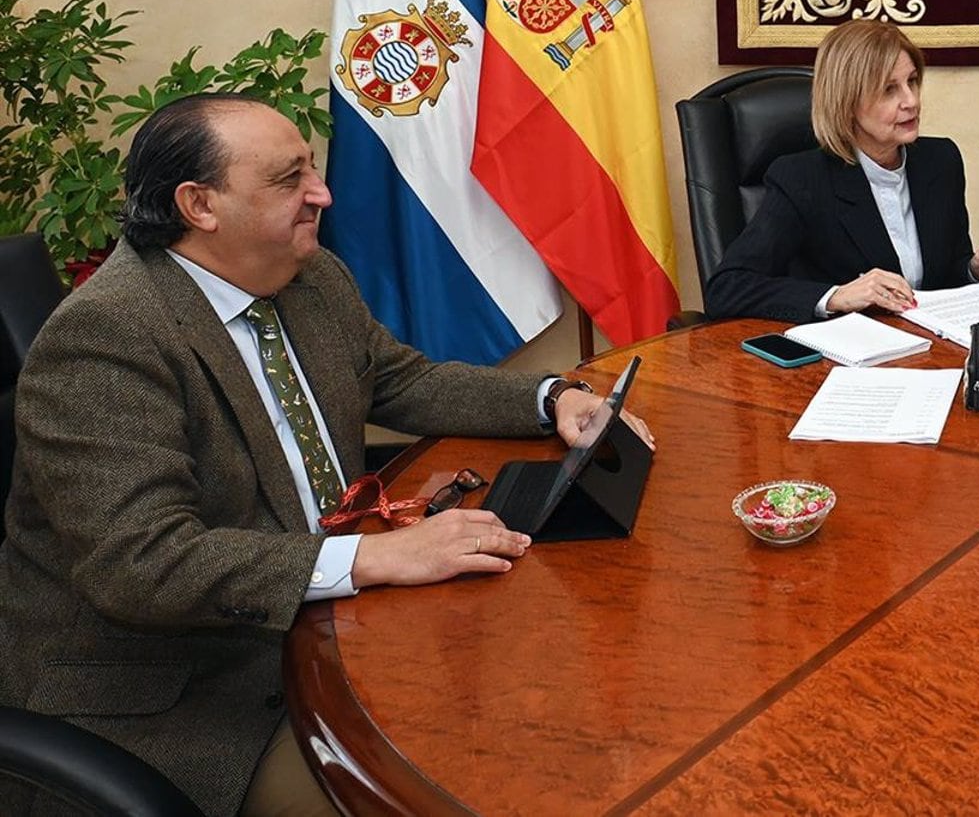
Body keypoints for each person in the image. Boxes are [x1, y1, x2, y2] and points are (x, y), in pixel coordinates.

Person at [0, 94, 654, 816]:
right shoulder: (106, 336)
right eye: (290, 178)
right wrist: (375, 560)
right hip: (187, 694)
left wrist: (552, 397)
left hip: (327, 627)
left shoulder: (306, 275)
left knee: (549, 708)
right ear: (199, 204)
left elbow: (404, 379)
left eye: (311, 166)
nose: (323, 192)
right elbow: (143, 564)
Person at [704, 19, 979, 322]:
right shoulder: (802, 180)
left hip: (930, 352)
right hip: (848, 357)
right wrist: (835, 296)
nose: (911, 101)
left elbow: (943, 274)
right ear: (846, 103)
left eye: (912, 81)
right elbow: (727, 288)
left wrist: (973, 269)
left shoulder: (940, 161)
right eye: (889, 90)